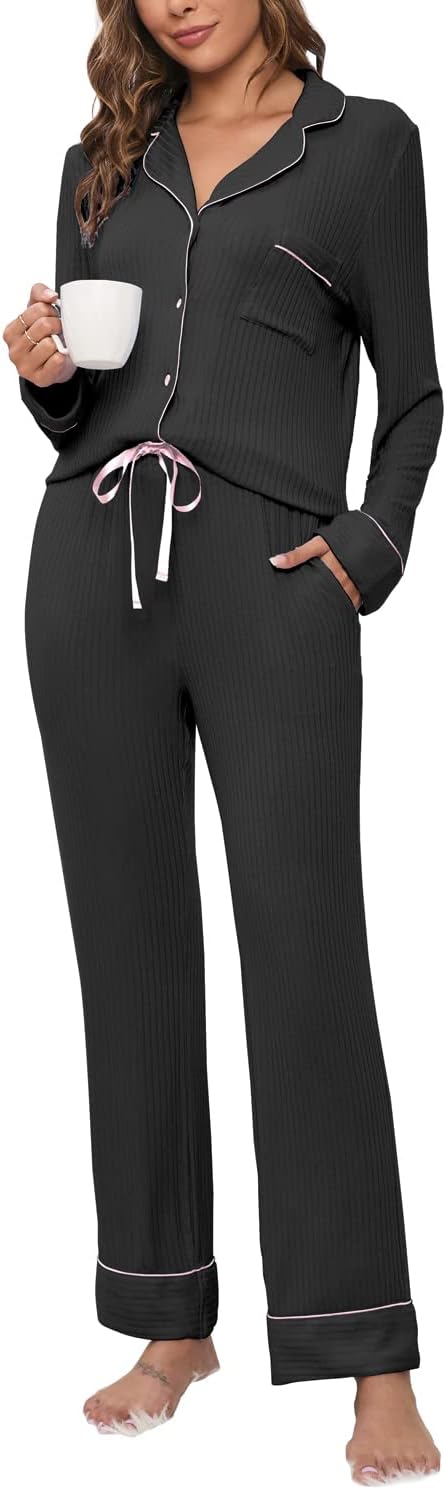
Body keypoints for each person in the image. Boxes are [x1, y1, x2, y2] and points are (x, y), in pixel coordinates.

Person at [3, 0, 443, 1478]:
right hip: (90, 572)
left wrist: (363, 554)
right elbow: (83, 412)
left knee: (307, 955)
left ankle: (368, 1356)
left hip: (273, 585)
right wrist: (47, 380)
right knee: (128, 956)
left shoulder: (364, 146)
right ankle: (166, 1321)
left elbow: (415, 393)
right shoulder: (98, 160)